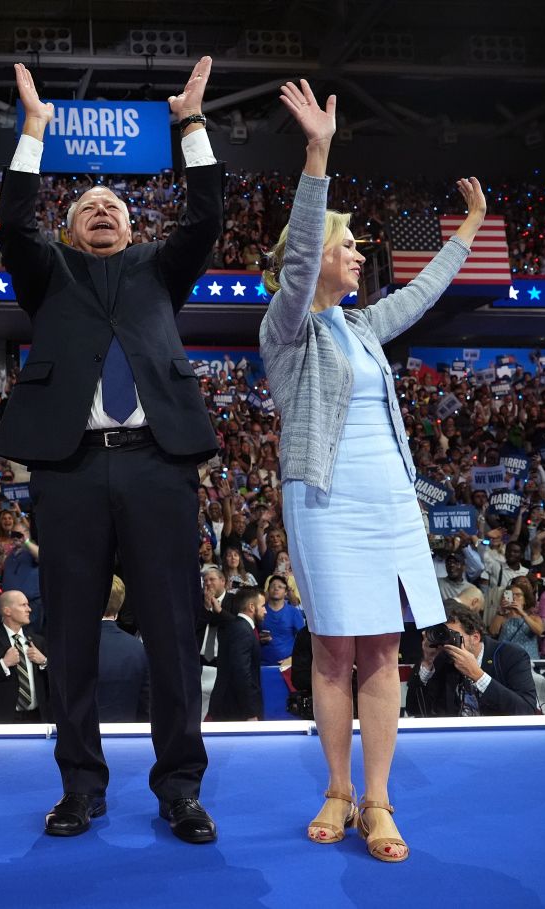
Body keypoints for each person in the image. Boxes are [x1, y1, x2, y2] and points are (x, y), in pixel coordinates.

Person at [0, 58, 224, 845]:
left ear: (132, 227)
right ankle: (80, 787)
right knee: (73, 638)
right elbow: (14, 224)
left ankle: (181, 789)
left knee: (168, 630)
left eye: (113, 206)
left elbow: (205, 217)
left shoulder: (160, 269)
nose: (101, 211)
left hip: (159, 463)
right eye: (87, 205)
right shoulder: (47, 273)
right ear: (71, 228)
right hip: (71, 468)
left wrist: (190, 124)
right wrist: (33, 134)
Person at [258, 78, 488, 862]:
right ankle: (335, 786)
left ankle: (379, 800)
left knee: (383, 648)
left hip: (386, 499)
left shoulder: (362, 325)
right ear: (315, 253)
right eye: (347, 244)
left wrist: (469, 232)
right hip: (322, 500)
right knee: (331, 649)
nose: (360, 255)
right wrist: (317, 151)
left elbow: (422, 293)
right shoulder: (286, 327)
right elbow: (294, 269)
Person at [406, 601, 537, 717]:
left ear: (475, 637)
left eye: (451, 635)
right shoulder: (440, 659)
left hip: (498, 736)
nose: (445, 642)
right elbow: (414, 710)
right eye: (442, 635)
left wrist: (478, 675)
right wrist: (427, 663)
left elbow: (526, 711)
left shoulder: (511, 656)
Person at [0, 591, 50, 723]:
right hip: (1, 719)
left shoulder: (38, 641)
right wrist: (3, 664)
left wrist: (44, 661)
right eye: (23, 605)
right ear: (7, 611)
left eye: (28, 605)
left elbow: (56, 681)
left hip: (37, 718)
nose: (29, 609)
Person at [207, 587, 265, 722]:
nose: (265, 610)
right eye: (262, 606)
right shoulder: (242, 630)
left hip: (233, 708)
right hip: (236, 712)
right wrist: (250, 712)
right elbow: (241, 673)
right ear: (251, 607)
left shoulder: (238, 627)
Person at [97, 577, 150, 723]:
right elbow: (146, 706)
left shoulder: (76, 648)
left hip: (86, 741)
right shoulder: (138, 649)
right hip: (128, 738)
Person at [486, 576, 543, 662]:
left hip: (528, 659)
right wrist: (501, 611)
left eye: (518, 595)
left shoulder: (533, 617)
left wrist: (523, 614)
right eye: (511, 595)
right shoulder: (502, 617)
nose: (514, 598)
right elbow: (493, 632)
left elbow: (539, 631)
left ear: (525, 600)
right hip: (505, 658)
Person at [259, 575, 307, 664]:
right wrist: (259, 638)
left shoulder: (294, 612)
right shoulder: (260, 610)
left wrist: (292, 659)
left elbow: (303, 640)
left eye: (280, 587)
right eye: (273, 586)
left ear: (285, 593)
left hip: (287, 665)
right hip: (262, 663)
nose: (276, 588)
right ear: (268, 590)